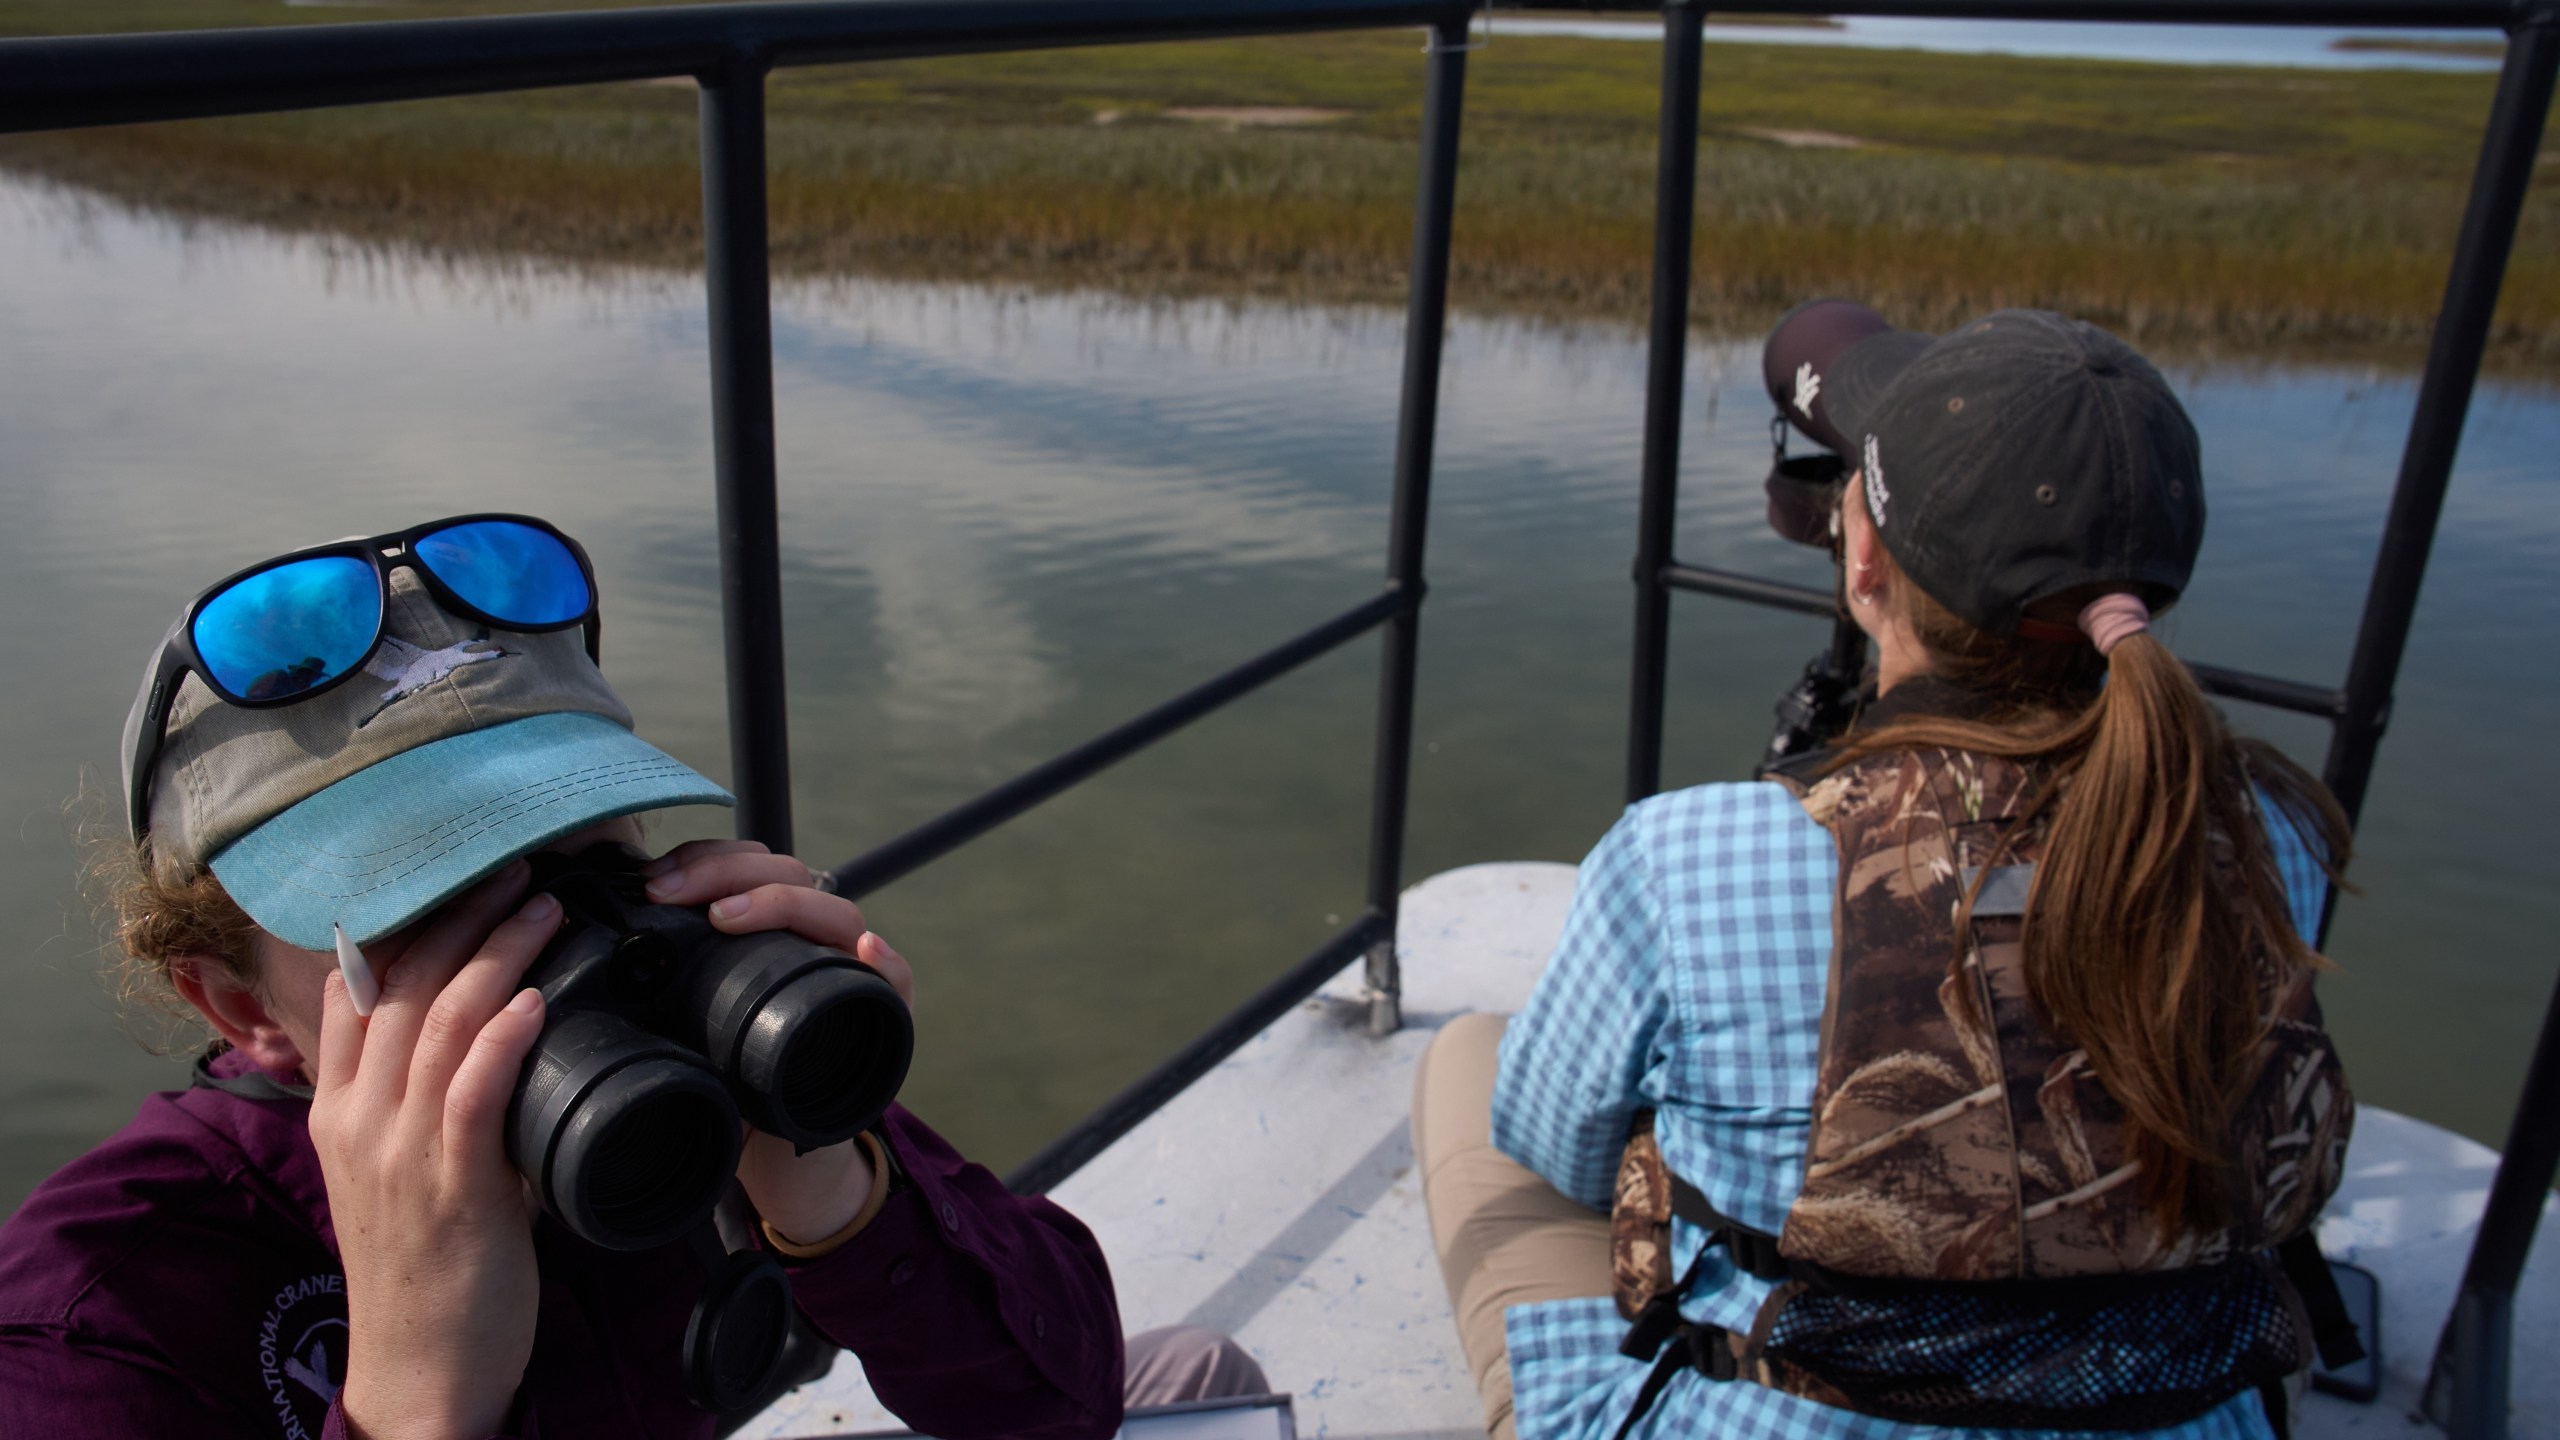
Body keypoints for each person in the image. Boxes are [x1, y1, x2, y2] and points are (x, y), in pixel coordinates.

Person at [0, 514, 1264, 1438]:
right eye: (431, 909)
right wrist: (409, 1396)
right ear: (239, 1009)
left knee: (1197, 1371)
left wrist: (829, 1179)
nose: (553, 954)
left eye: (588, 862)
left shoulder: (683, 1049)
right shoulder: (101, 1309)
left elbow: (1056, 1405)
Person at [1412, 307, 2356, 1440]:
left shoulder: (1686, 857)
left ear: (1861, 559)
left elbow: (1556, 1142)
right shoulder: (2272, 837)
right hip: (2182, 1407)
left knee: (1476, 1063)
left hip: (1792, 1409)